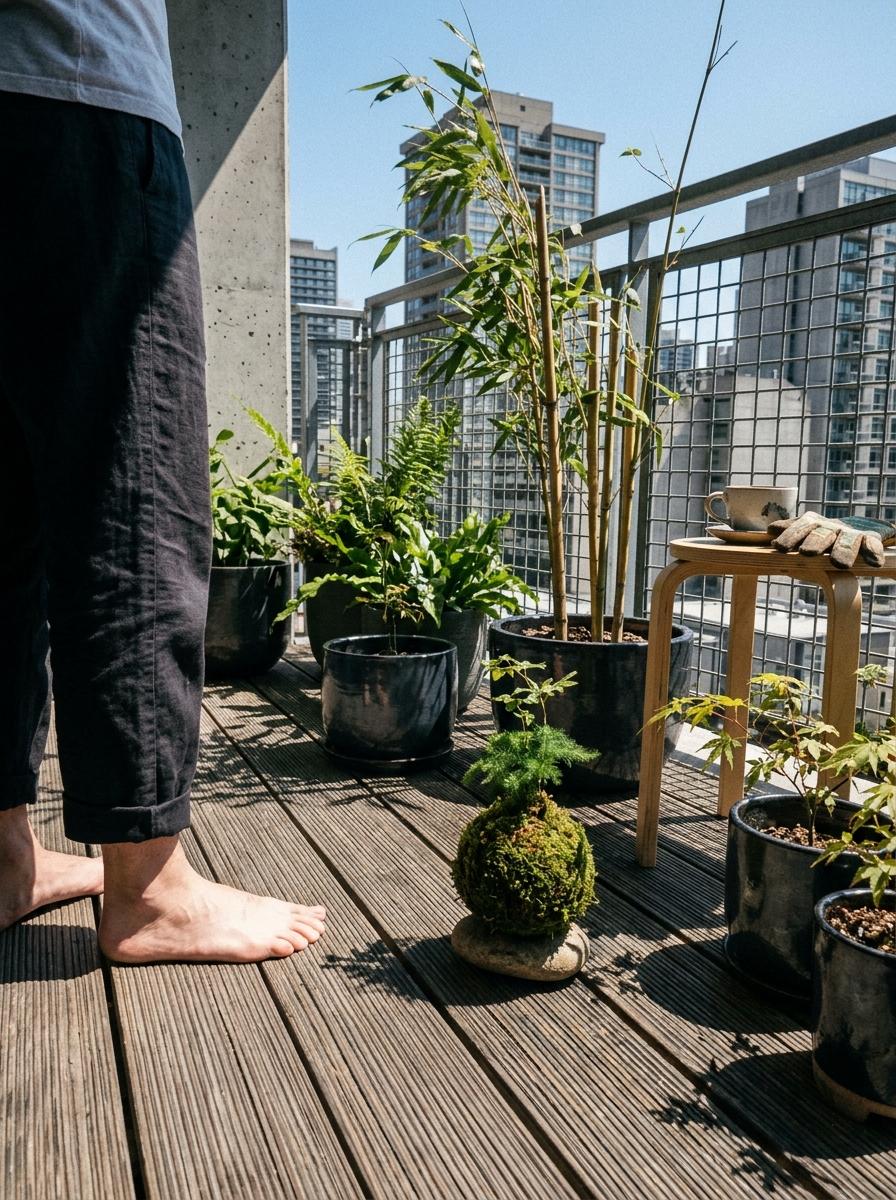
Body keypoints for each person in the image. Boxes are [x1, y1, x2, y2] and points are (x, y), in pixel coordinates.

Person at [0, 2, 326, 961]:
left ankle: (4, 858)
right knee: (133, 492)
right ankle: (149, 886)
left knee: (4, 511)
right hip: (76, 93)